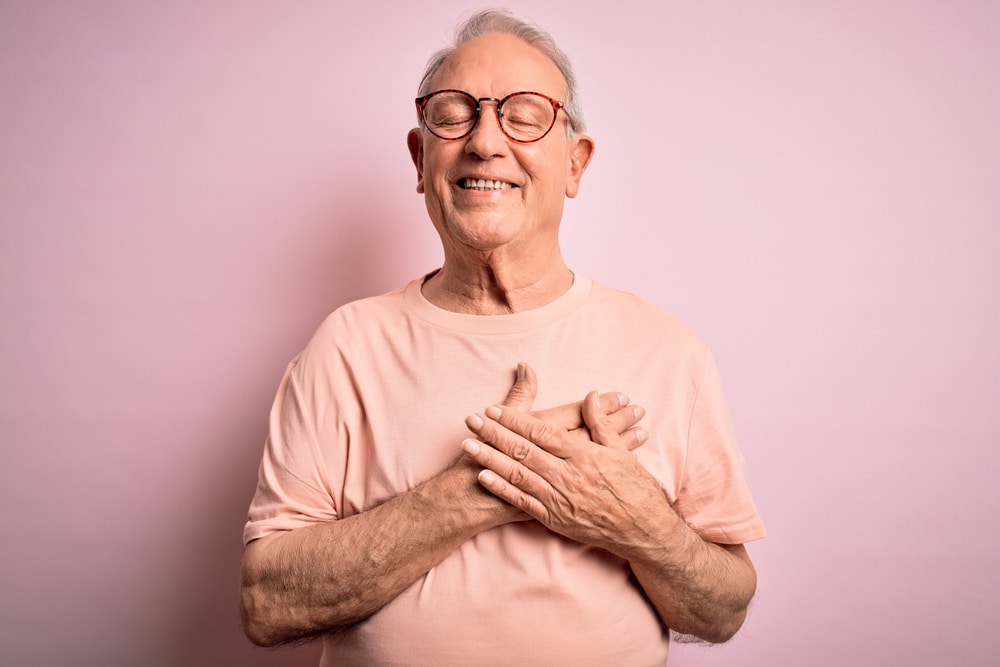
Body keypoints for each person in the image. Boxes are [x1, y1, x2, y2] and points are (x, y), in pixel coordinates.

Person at [240, 8, 765, 666]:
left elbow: (724, 608)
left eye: (523, 114)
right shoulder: (345, 347)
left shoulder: (669, 350)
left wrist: (642, 524)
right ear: (420, 155)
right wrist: (475, 491)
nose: (485, 142)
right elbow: (266, 603)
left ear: (576, 164)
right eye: (455, 114)